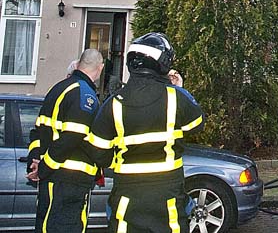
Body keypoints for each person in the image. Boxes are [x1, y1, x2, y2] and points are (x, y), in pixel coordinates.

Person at [88, 32, 204, 233]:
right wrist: (179, 89)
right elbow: (196, 125)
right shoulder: (175, 98)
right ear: (163, 63)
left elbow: (98, 153)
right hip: (168, 196)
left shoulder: (113, 103)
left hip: (127, 196)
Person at [27, 48, 105, 233]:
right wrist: (45, 167)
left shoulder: (58, 88)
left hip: (53, 180)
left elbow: (38, 132)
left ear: (78, 64)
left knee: (46, 226)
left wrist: (36, 162)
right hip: (70, 181)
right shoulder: (85, 95)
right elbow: (71, 138)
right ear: (100, 68)